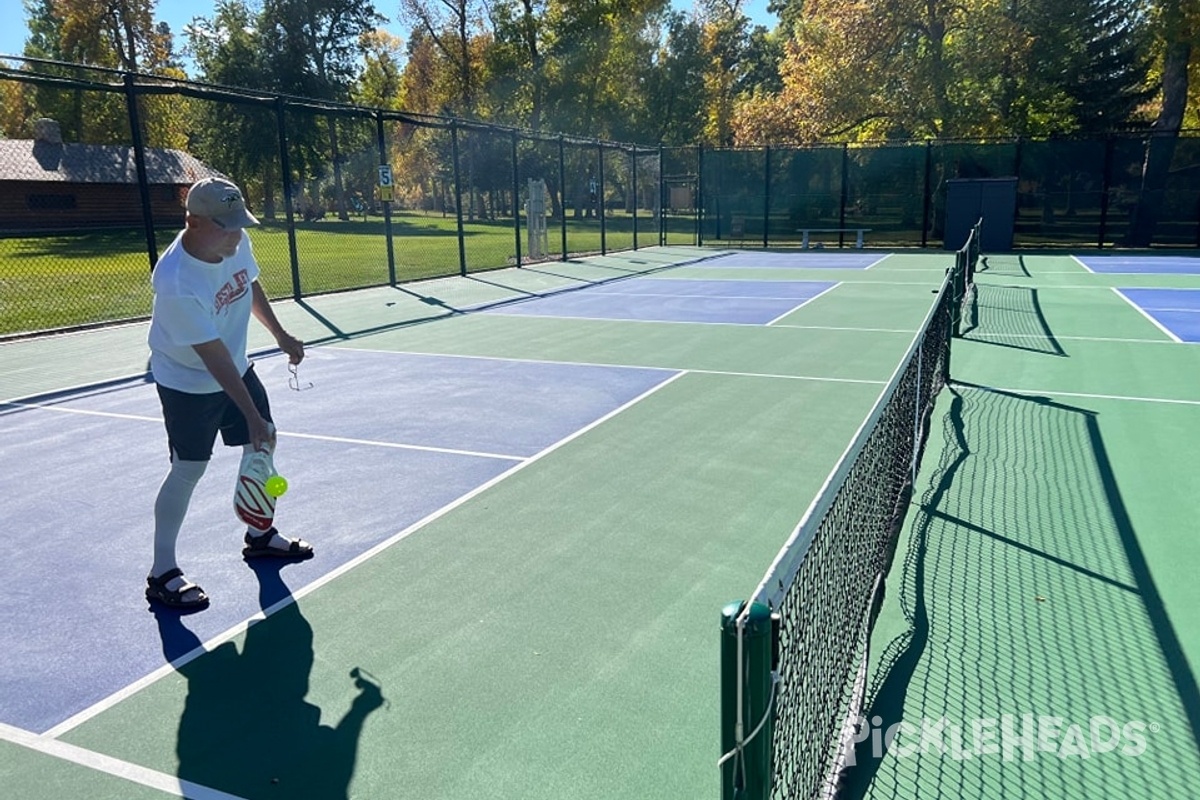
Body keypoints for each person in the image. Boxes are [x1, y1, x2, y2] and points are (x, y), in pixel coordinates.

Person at [145, 176, 312, 611]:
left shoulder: (234, 243)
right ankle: (163, 572)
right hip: (187, 381)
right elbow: (213, 359)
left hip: (233, 365)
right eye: (226, 226)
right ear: (193, 222)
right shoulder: (177, 281)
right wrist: (251, 417)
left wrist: (279, 333)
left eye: (240, 223)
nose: (237, 235)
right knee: (190, 468)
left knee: (263, 442)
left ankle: (259, 534)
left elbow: (247, 283)